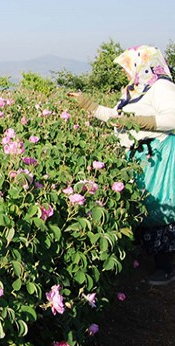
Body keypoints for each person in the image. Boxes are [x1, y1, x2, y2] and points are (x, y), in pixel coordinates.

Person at [69, 45, 175, 285]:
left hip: (157, 155)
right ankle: (147, 259)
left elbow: (172, 117)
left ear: (144, 65)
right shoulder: (136, 89)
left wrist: (141, 122)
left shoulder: (162, 87)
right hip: (137, 157)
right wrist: (88, 105)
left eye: (128, 68)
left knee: (160, 206)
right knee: (143, 205)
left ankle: (165, 267)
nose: (126, 73)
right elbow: (119, 119)